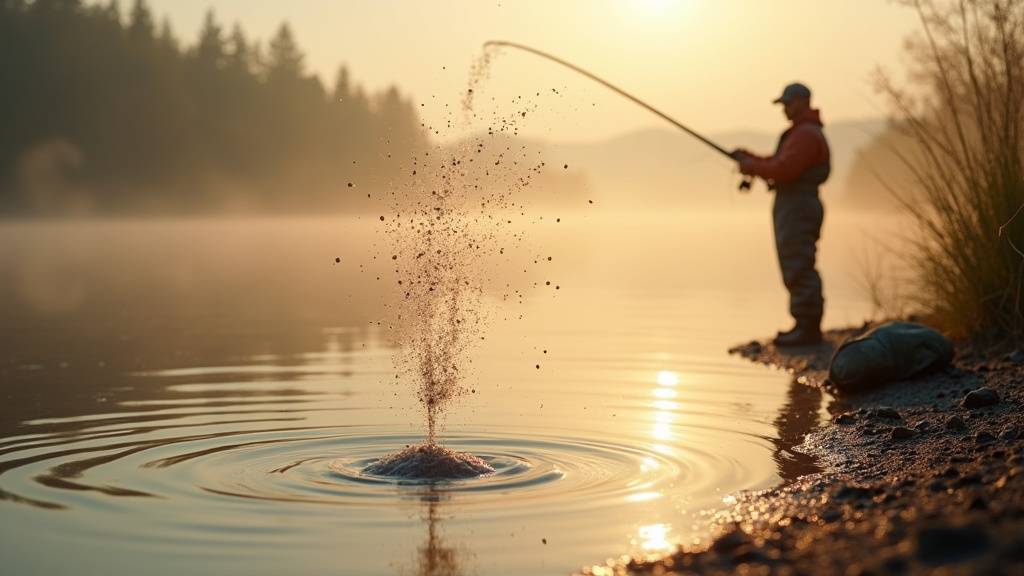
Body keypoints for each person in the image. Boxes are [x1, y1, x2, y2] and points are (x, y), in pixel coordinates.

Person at [732, 82, 830, 347]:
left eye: (788, 103)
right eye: (783, 104)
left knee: (798, 262)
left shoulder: (806, 134)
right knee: (795, 262)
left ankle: (807, 329)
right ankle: (804, 325)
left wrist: (751, 165)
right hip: (794, 204)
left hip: (798, 207)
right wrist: (750, 160)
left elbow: (785, 169)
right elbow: (780, 164)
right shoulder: (802, 133)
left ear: (803, 102)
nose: (784, 108)